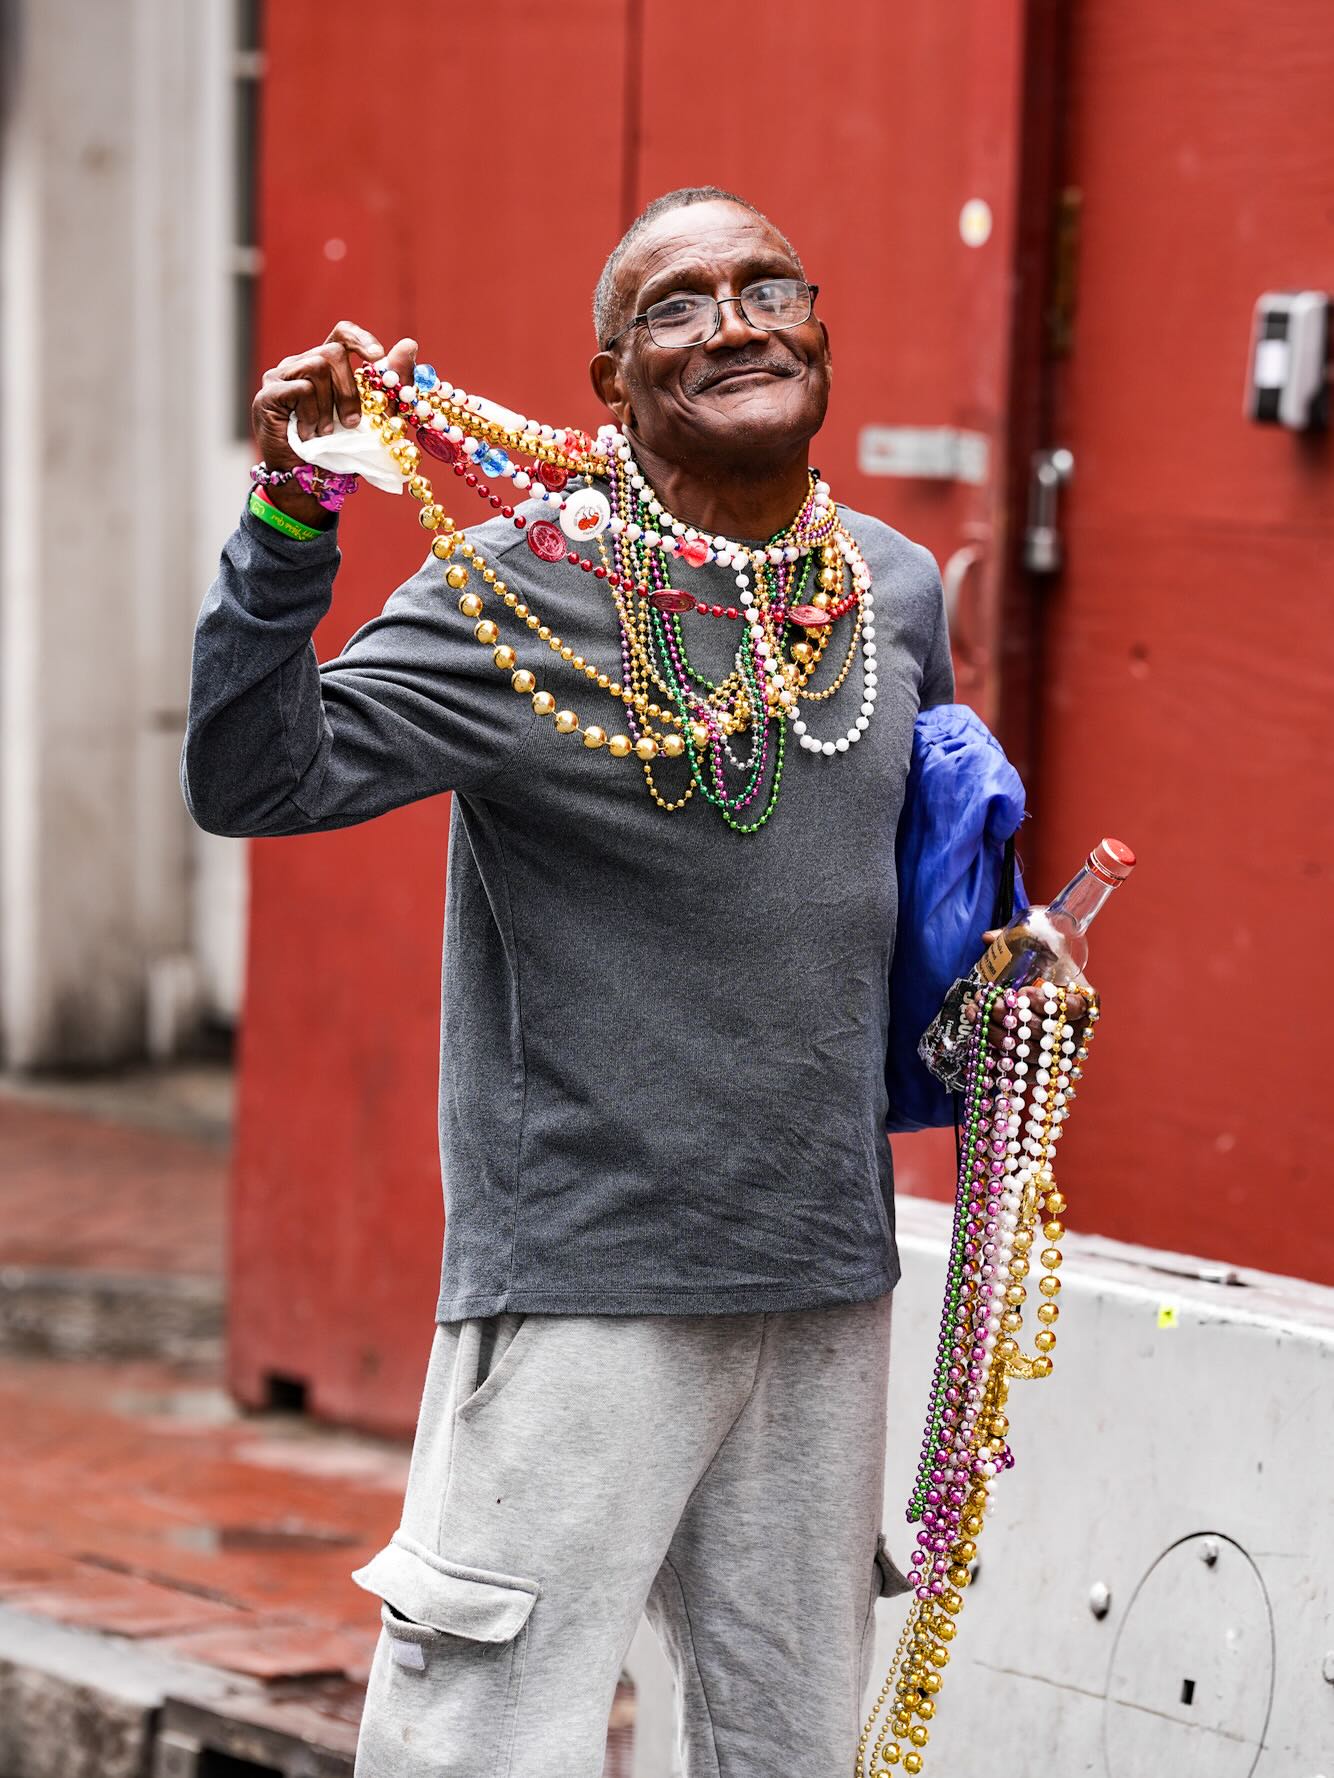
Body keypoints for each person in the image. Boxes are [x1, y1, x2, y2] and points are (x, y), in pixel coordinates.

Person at [182, 186, 1084, 1777]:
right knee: (476, 1743)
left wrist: (1003, 979)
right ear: (610, 382)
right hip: (589, 1282)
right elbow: (257, 775)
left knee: (785, 1745)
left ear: (819, 331)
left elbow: (892, 896)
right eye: (675, 305)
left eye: (768, 288)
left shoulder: (882, 588)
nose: (733, 324)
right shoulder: (515, 588)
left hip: (820, 1270)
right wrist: (292, 514)